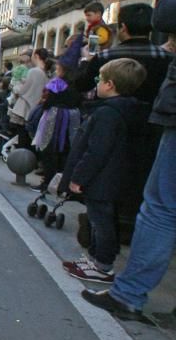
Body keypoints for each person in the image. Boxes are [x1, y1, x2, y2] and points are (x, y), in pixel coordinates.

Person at [82, 0, 176, 319]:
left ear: (121, 27)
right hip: (147, 136)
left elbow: (82, 87)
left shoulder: (109, 58)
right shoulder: (160, 58)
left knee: (159, 208)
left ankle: (125, 290)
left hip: (128, 140)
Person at [59, 58, 147, 283]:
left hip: (102, 179)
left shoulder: (107, 114)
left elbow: (96, 150)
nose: (96, 83)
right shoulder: (127, 110)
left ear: (110, 85)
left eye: (99, 79)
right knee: (102, 219)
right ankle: (96, 258)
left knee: (101, 221)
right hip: (113, 177)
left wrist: (78, 177)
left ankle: (102, 265)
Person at [30, 41, 82, 192]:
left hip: (54, 117)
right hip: (73, 118)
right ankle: (62, 183)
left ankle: (47, 182)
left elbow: (48, 101)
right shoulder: (78, 82)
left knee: (49, 150)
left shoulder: (57, 83)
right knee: (66, 151)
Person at [9, 48, 50, 150]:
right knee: (28, 137)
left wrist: (16, 86)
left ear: (36, 56)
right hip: (36, 107)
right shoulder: (46, 73)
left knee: (22, 136)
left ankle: (21, 160)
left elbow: (22, 90)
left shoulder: (33, 71)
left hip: (24, 107)